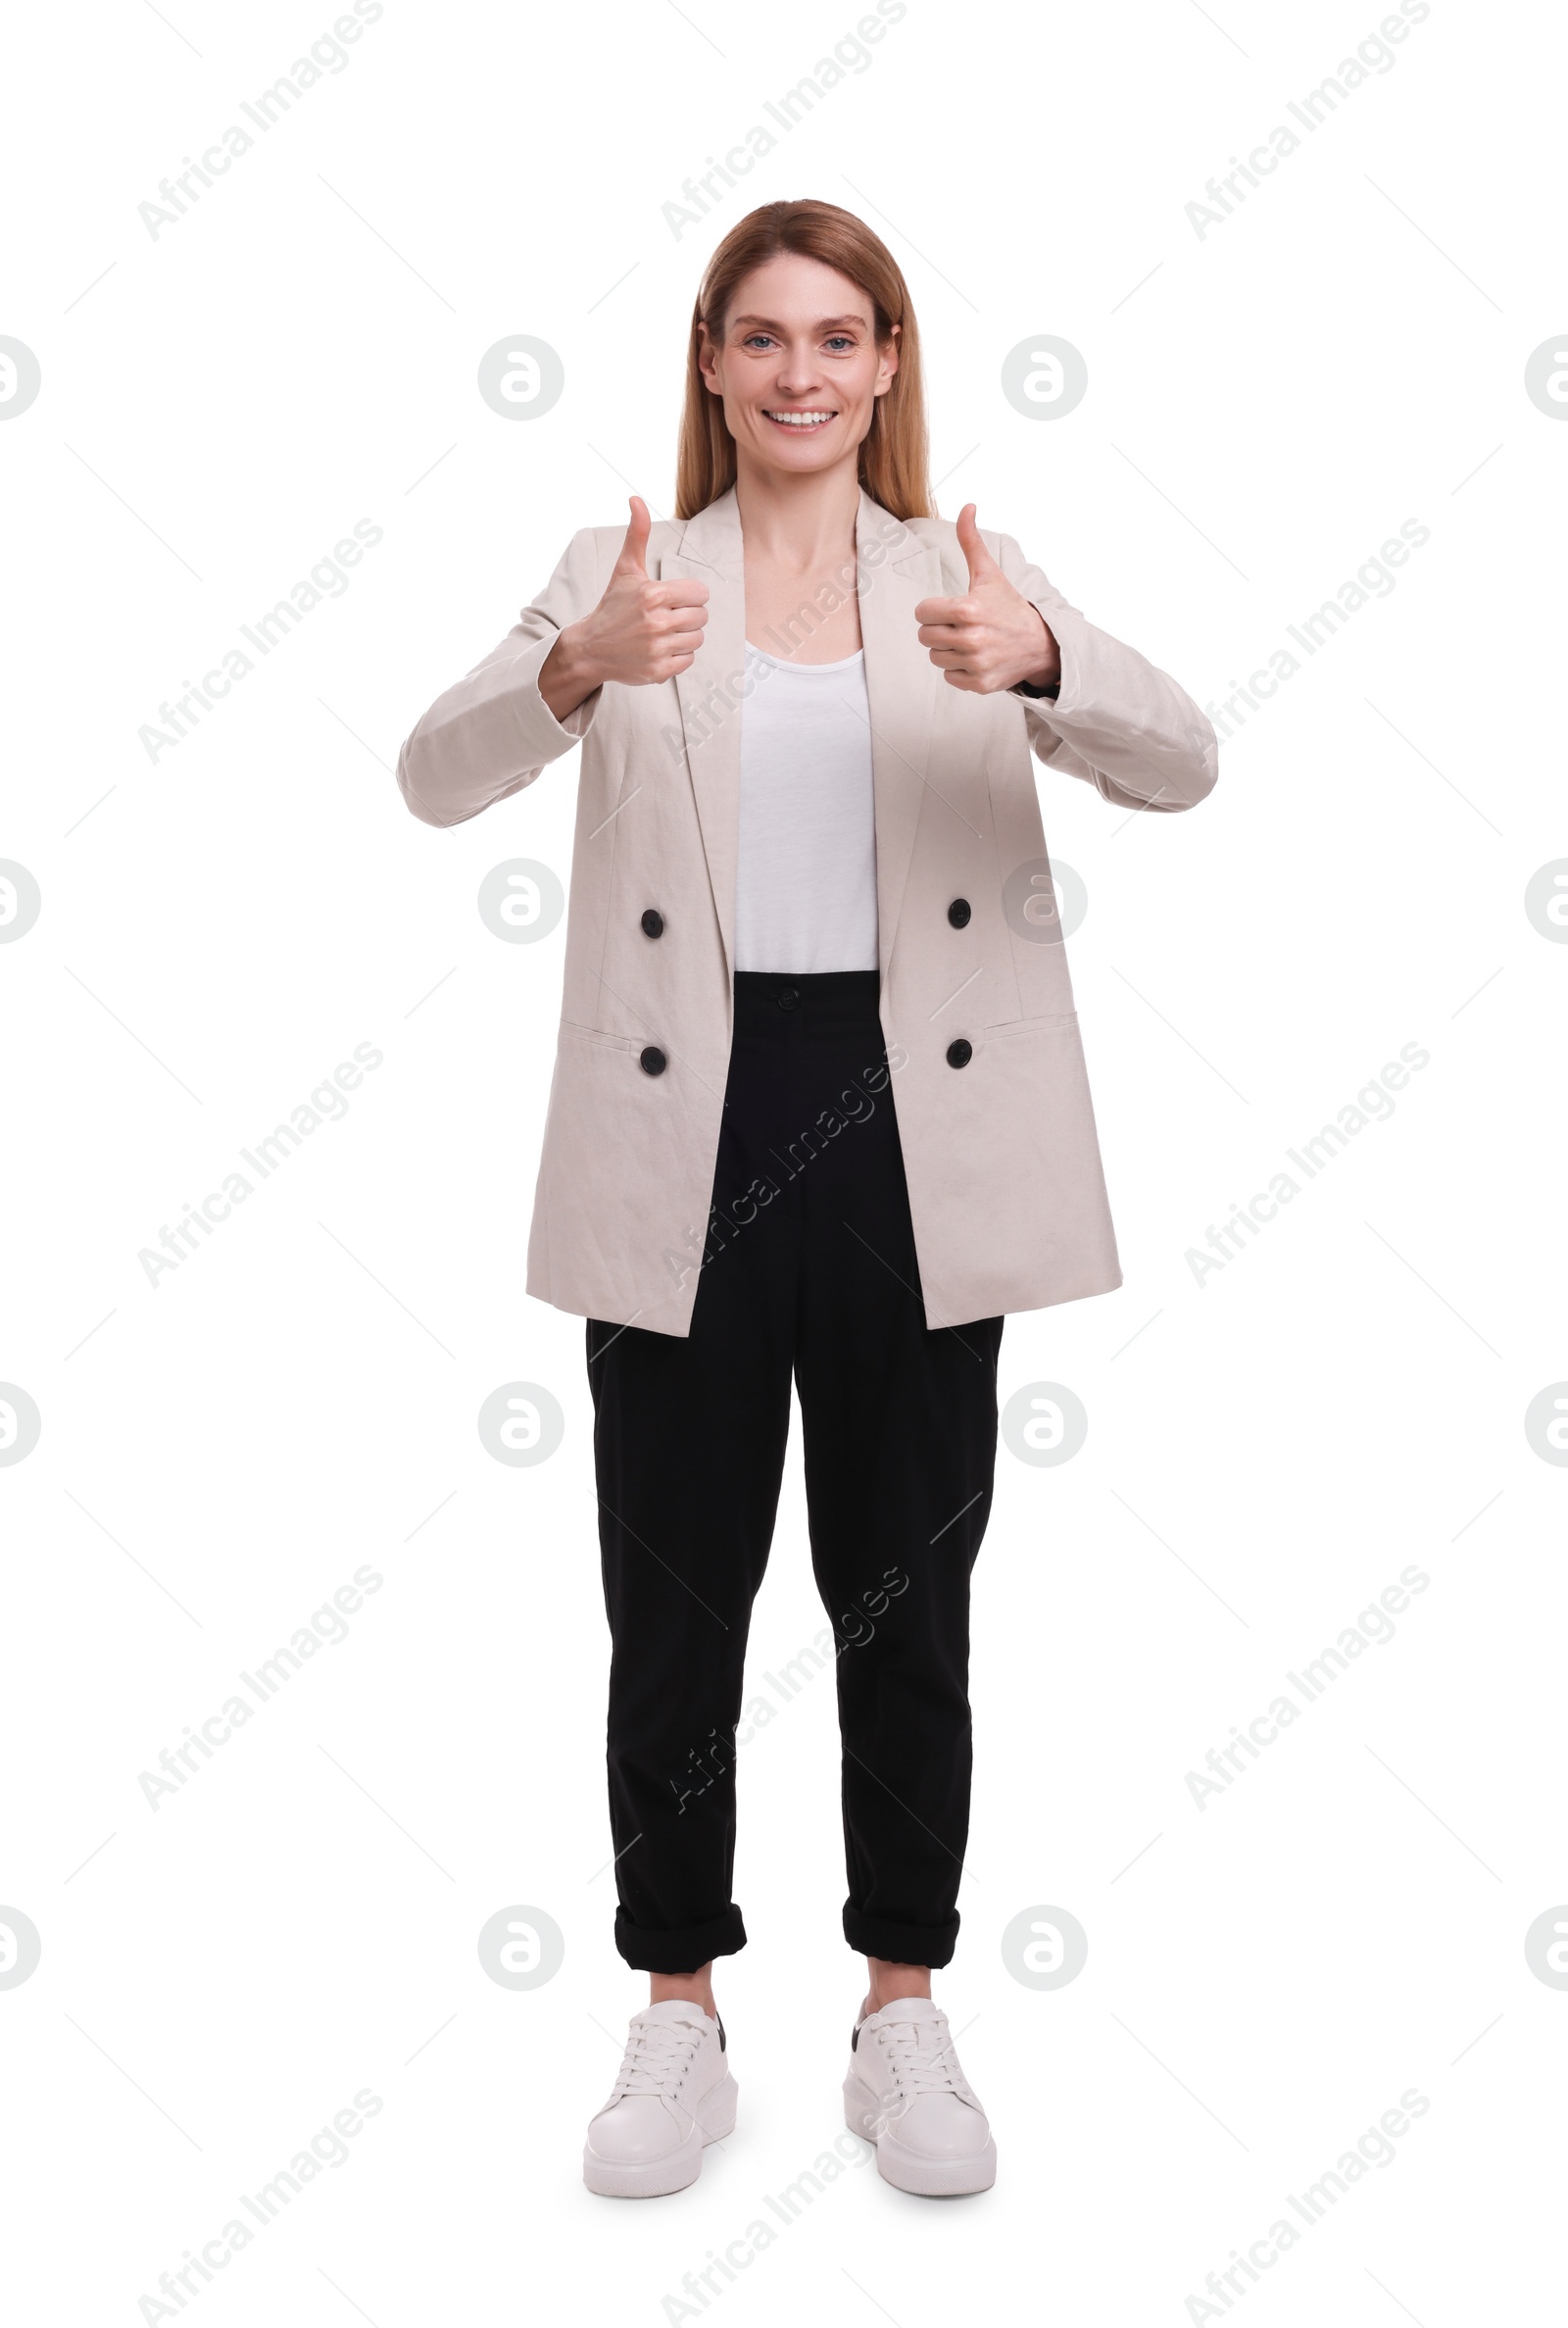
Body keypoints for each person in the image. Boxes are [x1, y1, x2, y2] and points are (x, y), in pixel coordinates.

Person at [395, 198, 1217, 2200]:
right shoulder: (616, 575)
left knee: (900, 1599)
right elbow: (430, 776)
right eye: (760, 338)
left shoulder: (961, 571)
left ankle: (898, 2007)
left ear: (885, 366)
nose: (797, 374)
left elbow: (1180, 762)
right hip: (677, 1126)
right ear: (708, 361)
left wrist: (1045, 659)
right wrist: (572, 669)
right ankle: (673, 2010)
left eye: (837, 338)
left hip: (912, 1130)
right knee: (669, 1605)